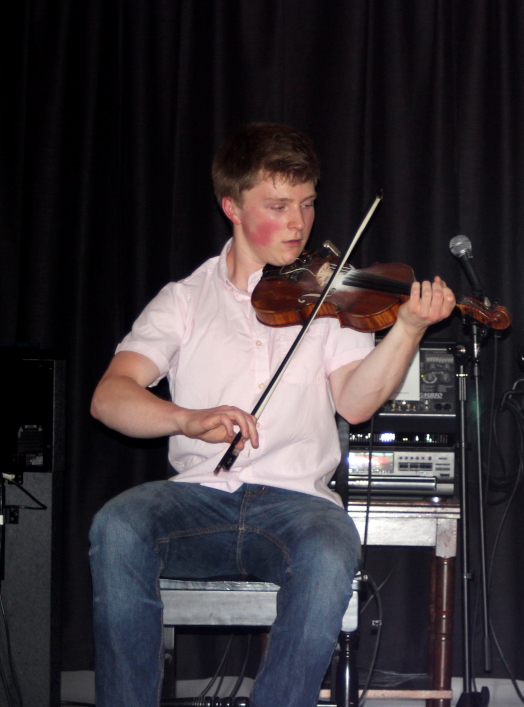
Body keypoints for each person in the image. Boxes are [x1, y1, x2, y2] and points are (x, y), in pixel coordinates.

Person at [88, 122, 455, 707]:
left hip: (297, 507)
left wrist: (407, 328)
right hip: (196, 500)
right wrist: (184, 418)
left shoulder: (330, 298)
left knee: (332, 548)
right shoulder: (183, 300)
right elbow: (109, 397)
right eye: (278, 206)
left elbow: (356, 404)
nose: (298, 223)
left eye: (307, 204)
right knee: (118, 524)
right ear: (231, 206)